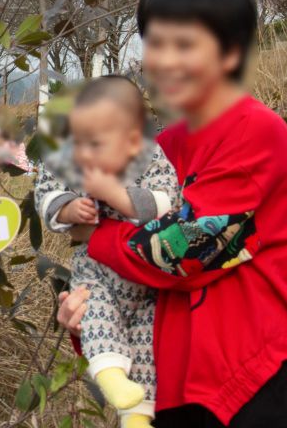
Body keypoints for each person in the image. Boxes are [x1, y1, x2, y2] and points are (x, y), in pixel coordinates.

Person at [57, 0, 287, 427]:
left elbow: (187, 249)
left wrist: (96, 238)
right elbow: (126, 266)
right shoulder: (161, 147)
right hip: (174, 378)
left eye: (185, 44)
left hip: (252, 377)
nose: (166, 60)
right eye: (156, 43)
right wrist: (89, 311)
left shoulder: (256, 132)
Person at [33, 76, 179, 428]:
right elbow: (48, 191)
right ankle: (111, 375)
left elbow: (165, 202)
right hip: (97, 268)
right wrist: (68, 210)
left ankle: (137, 417)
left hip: (147, 278)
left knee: (146, 338)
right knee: (95, 310)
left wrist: (114, 194)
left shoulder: (151, 157)